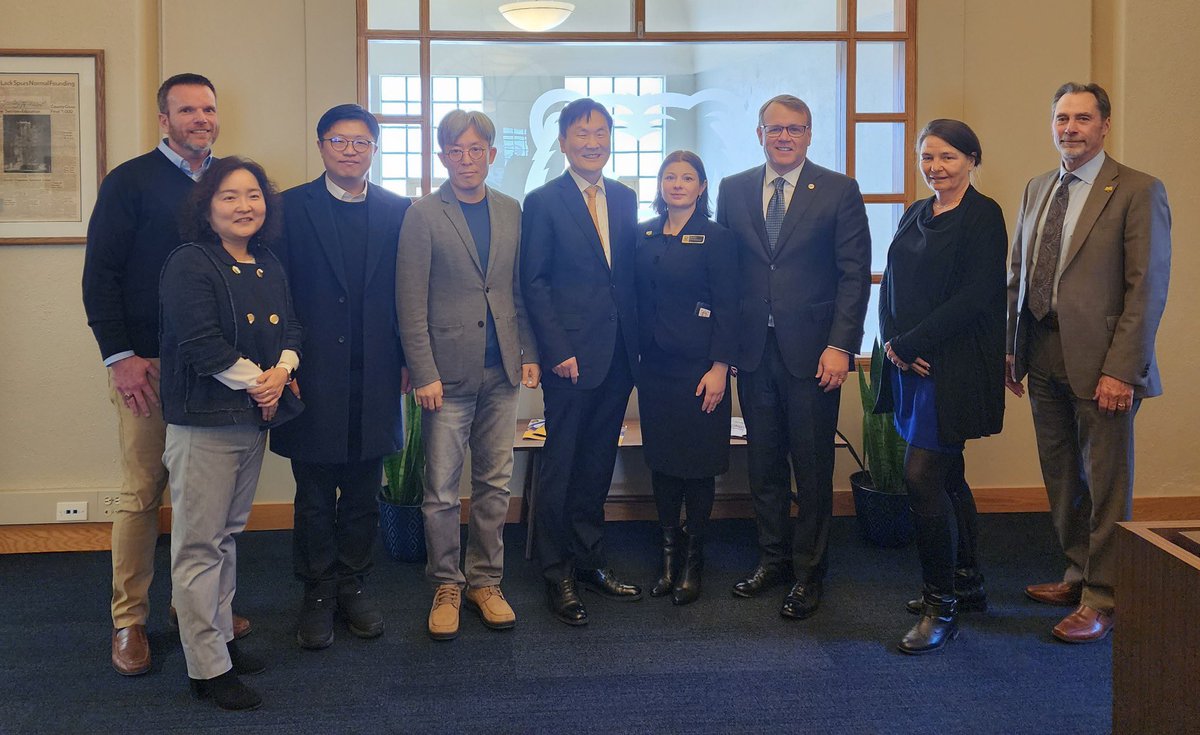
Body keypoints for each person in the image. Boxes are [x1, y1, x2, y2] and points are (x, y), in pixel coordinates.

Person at [82, 73, 251, 676]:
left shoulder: (226, 185)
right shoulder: (129, 182)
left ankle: (198, 609)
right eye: (187, 110)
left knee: (205, 500)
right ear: (164, 119)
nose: (200, 118)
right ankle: (128, 619)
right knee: (140, 493)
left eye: (208, 107)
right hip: (148, 367)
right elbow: (99, 275)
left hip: (213, 366)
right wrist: (119, 357)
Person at [1006, 82, 1171, 644]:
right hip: (1043, 350)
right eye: (1060, 118)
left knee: (1106, 483)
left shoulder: (1137, 190)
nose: (1069, 128)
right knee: (1060, 477)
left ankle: (1105, 596)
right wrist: (1013, 349)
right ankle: (1077, 571)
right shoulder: (1036, 187)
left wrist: (1122, 369)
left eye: (1081, 118)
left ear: (1104, 125)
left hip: (1104, 362)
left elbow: (1145, 288)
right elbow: (1019, 275)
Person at [715, 94, 871, 619]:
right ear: (759, 133)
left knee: (811, 465)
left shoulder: (838, 190)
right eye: (774, 128)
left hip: (814, 355)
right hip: (754, 353)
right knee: (763, 467)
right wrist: (727, 345)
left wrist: (841, 346)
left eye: (795, 129)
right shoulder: (733, 189)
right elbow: (727, 273)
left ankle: (809, 573)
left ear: (809, 135)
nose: (784, 137)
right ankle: (773, 560)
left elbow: (854, 275)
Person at [160, 157, 301, 710]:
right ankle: (206, 667)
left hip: (250, 418)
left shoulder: (266, 261)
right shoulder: (189, 263)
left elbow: (293, 324)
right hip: (205, 421)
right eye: (230, 197)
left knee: (224, 538)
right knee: (197, 544)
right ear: (207, 207)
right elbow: (201, 344)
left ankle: (218, 639)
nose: (245, 206)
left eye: (254, 196)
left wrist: (282, 371)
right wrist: (260, 383)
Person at [270, 104, 412, 650]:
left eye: (361, 142)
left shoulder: (399, 210)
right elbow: (277, 293)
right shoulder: (287, 209)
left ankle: (353, 585)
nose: (350, 150)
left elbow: (407, 293)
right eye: (338, 140)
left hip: (376, 371)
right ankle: (315, 592)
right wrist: (285, 362)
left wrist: (406, 359)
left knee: (361, 491)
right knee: (311, 493)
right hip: (312, 371)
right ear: (321, 145)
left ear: (375, 150)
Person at [397, 110, 540, 640]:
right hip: (445, 379)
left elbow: (516, 290)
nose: (466, 159)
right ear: (442, 157)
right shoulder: (423, 214)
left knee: (494, 485)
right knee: (439, 491)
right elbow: (409, 303)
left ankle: (485, 580)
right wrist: (424, 370)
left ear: (492, 154)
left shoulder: (510, 210)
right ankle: (446, 583)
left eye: (476, 149)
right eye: (455, 151)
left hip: (501, 370)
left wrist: (526, 351)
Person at [875, 120, 1008, 654]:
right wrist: (892, 344)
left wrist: (912, 343)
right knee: (949, 477)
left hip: (949, 367)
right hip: (911, 364)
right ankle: (967, 582)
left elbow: (976, 297)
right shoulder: (915, 211)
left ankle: (940, 605)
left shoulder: (984, 216)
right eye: (927, 157)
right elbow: (890, 282)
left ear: (972, 159)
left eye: (948, 156)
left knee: (922, 478)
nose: (936, 167)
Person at [520, 97, 641, 625]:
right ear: (564, 142)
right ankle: (557, 573)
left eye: (601, 133)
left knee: (597, 465)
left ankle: (591, 560)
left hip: (618, 355)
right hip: (569, 358)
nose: (593, 142)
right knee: (562, 465)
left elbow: (629, 277)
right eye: (581, 133)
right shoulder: (544, 201)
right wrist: (556, 350)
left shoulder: (626, 197)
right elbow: (535, 281)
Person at [635, 151, 738, 606]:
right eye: (669, 176)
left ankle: (693, 562)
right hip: (655, 369)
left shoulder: (718, 238)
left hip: (702, 371)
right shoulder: (642, 235)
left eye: (687, 177)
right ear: (660, 185)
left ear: (701, 187)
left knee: (696, 467)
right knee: (662, 463)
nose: (677, 184)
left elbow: (731, 305)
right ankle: (668, 559)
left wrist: (720, 367)